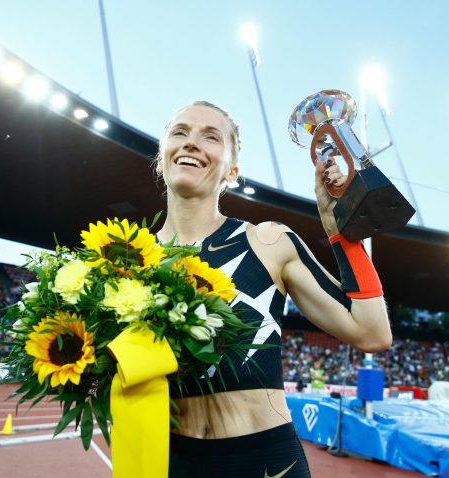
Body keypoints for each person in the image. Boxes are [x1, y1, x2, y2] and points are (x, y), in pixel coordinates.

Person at [154, 101, 392, 477]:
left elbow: (372, 332)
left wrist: (341, 232)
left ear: (232, 171)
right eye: (179, 132)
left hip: (265, 462)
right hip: (170, 462)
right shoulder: (128, 262)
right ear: (162, 155)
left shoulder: (267, 241)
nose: (191, 143)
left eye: (211, 137)